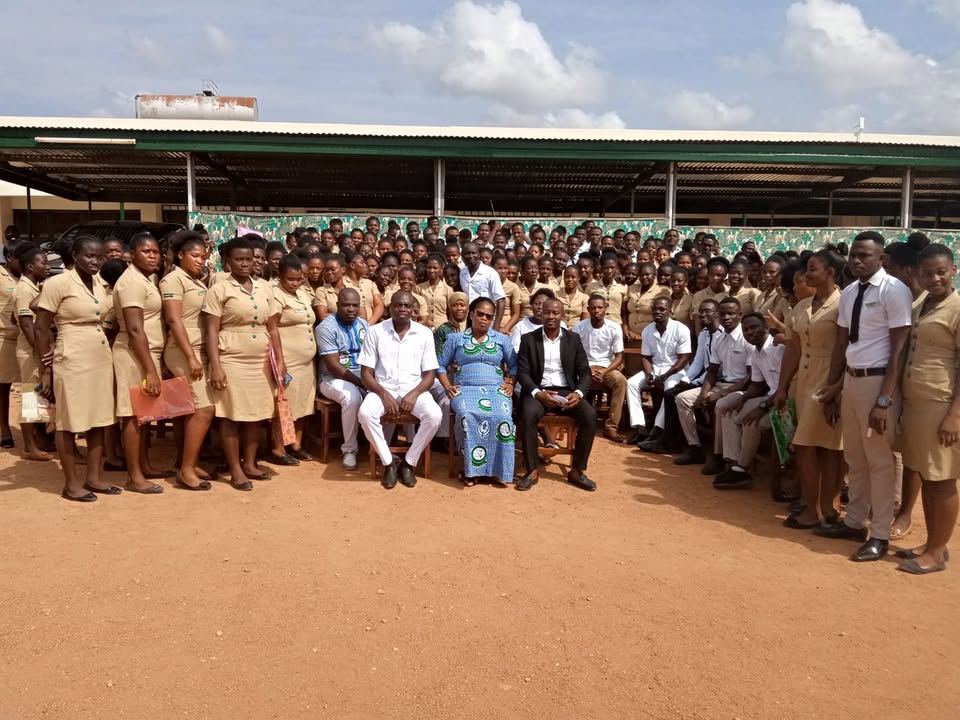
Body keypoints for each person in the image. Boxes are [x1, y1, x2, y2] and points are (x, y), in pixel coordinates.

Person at [816, 231, 913, 563]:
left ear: (881, 259)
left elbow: (899, 348)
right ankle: (855, 522)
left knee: (880, 462)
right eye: (854, 255)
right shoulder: (850, 292)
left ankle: (880, 534)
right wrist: (834, 387)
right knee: (855, 459)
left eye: (865, 256)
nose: (857, 260)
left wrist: (885, 400)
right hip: (852, 382)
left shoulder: (894, 291)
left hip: (878, 384)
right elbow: (843, 345)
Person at [34, 235, 118, 501]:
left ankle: (93, 478)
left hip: (99, 353)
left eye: (99, 256)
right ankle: (71, 484)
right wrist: (45, 366)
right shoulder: (58, 283)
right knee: (69, 422)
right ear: (75, 255)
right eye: (89, 256)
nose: (95, 261)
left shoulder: (101, 283)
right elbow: (40, 325)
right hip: (71, 354)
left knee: (98, 418)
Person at [892, 243, 960, 574]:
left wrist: (955, 415)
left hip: (941, 403)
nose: (934, 278)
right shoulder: (922, 303)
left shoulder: (957, 308)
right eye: (927, 273)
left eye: (941, 272)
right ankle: (934, 544)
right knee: (926, 474)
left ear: (953, 271)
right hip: (917, 404)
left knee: (942, 479)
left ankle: (935, 553)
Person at [202, 237, 286, 491]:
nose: (245, 264)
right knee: (231, 415)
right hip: (231, 358)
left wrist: (280, 361)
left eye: (249, 259)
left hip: (260, 359)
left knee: (255, 415)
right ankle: (236, 469)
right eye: (238, 259)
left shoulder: (265, 288)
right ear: (228, 262)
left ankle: (250, 463)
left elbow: (272, 327)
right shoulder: (218, 289)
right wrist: (215, 366)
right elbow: (211, 332)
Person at [773, 250, 845, 528]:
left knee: (819, 446)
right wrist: (782, 387)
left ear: (830, 272)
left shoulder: (843, 304)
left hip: (829, 379)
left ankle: (822, 506)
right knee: (812, 445)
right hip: (803, 381)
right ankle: (818, 505)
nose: (807, 274)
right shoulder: (802, 307)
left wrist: (836, 387)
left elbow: (845, 347)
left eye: (813, 269)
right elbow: (793, 348)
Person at [358, 290, 441, 489]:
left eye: (406, 306)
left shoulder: (424, 333)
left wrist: (414, 394)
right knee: (365, 414)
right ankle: (388, 463)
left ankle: (408, 463)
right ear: (390, 308)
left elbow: (430, 374)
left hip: (414, 390)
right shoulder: (375, 332)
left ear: (414, 309)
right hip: (382, 390)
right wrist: (383, 394)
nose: (402, 309)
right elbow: (366, 373)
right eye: (398, 305)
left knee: (435, 415)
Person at [515, 298, 597, 492]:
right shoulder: (529, 339)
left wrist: (578, 393)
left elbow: (584, 371)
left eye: (555, 313)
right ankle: (532, 470)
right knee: (527, 414)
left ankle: (577, 470)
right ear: (541, 313)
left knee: (590, 416)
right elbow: (522, 372)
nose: (551, 317)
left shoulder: (573, 339)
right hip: (539, 390)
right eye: (547, 313)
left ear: (562, 315)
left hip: (566, 391)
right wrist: (537, 392)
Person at [112, 232, 171, 494]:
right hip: (134, 357)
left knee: (145, 415)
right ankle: (134, 476)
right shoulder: (131, 283)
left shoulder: (146, 279)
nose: (152, 256)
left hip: (148, 355)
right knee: (133, 417)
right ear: (132, 254)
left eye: (155, 251)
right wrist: (149, 369)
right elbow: (135, 330)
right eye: (146, 251)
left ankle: (144, 465)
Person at [437, 297, 517, 486]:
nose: (484, 319)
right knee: (466, 414)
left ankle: (497, 470)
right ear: (471, 314)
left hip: (496, 389)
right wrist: (448, 386)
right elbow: (439, 365)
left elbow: (514, 366)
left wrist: (511, 383)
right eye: (480, 314)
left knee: (503, 415)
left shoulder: (502, 340)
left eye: (489, 317)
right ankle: (470, 470)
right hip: (465, 389)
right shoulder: (455, 339)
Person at [159, 230, 215, 490]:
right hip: (183, 350)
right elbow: (174, 320)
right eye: (195, 255)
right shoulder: (173, 281)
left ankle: (187, 463)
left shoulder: (196, 280)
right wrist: (191, 357)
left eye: (203, 256)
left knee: (188, 411)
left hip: (197, 347)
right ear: (181, 255)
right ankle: (186, 470)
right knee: (204, 409)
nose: (200, 260)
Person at [674, 297, 751, 474]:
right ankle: (695, 447)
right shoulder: (720, 339)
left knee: (720, 406)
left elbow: (751, 375)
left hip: (741, 388)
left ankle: (721, 456)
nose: (727, 318)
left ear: (740, 315)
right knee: (682, 399)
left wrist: (722, 394)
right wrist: (703, 394)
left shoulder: (746, 337)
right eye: (723, 314)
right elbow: (712, 371)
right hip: (720, 384)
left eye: (731, 313)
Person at [713, 312, 785, 488]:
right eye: (745, 330)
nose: (749, 332)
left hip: (785, 400)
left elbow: (787, 387)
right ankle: (734, 463)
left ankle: (741, 469)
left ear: (766, 328)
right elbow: (756, 386)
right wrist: (743, 398)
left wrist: (762, 406)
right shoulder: (757, 354)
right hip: (769, 398)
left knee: (751, 421)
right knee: (729, 410)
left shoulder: (779, 349)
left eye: (754, 327)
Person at [268, 255, 318, 465]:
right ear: (280, 276)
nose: (296, 283)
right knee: (285, 405)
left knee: (304, 404)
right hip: (288, 360)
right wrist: (280, 359)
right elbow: (271, 328)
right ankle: (278, 448)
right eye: (291, 279)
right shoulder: (275, 294)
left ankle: (295, 444)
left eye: (299, 279)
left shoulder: (303, 294)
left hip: (307, 363)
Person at [627, 295, 692, 447]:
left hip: (676, 371)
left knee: (670, 389)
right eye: (655, 309)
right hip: (656, 369)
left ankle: (657, 429)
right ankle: (640, 427)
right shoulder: (648, 330)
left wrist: (664, 377)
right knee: (631, 383)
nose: (658, 312)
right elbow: (646, 356)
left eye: (662, 309)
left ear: (670, 311)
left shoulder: (681, 329)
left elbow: (683, 358)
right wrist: (650, 374)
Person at [317, 288, 369, 471]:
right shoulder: (326, 327)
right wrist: (364, 383)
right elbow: (334, 367)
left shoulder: (364, 325)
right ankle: (349, 450)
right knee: (351, 397)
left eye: (355, 305)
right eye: (346, 305)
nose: (351, 309)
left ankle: (380, 447)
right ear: (338, 306)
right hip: (332, 379)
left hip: (363, 376)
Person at [12, 244, 51, 460]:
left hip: (36, 349)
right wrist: (42, 354)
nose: (46, 267)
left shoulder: (33, 287)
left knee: (37, 396)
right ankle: (29, 447)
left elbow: (12, 318)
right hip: (31, 351)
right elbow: (27, 326)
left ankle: (39, 438)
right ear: (29, 266)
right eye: (43, 263)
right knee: (30, 396)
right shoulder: (24, 290)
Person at [573, 296, 628, 443]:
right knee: (570, 379)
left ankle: (611, 427)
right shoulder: (579, 327)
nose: (596, 310)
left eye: (600, 307)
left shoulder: (614, 327)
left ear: (605, 308)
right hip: (585, 368)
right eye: (593, 307)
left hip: (606, 368)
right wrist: (587, 370)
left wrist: (604, 372)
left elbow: (619, 357)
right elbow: (574, 354)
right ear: (588, 309)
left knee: (621, 381)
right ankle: (577, 421)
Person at [0, 245, 20, 449]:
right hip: (3, 337)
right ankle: (4, 429)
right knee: (3, 386)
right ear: (9, 257)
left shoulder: (28, 276)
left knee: (32, 388)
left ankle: (36, 432)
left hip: (25, 338)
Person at [459, 242, 505, 326]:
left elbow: (501, 300)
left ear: (479, 254)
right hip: (468, 320)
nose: (471, 256)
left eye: (473, 253)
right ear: (462, 256)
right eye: (467, 253)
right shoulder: (462, 273)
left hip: (486, 319)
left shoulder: (490, 273)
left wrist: (496, 327)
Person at [623, 262, 669, 343]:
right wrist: (625, 328)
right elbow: (624, 311)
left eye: (648, 275)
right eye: (641, 275)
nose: (644, 277)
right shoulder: (631, 288)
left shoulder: (662, 291)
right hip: (630, 336)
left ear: (655, 275)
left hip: (652, 335)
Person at [344, 249, 384, 324]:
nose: (366, 266)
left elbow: (379, 304)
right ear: (352, 265)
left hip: (371, 326)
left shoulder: (369, 283)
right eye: (362, 263)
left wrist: (369, 324)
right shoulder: (343, 283)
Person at [416, 255, 453, 329]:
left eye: (435, 268)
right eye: (429, 268)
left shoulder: (448, 289)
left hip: (442, 328)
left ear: (441, 270)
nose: (431, 270)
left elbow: (450, 312)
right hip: (424, 328)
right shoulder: (418, 288)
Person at [314, 254, 348, 322]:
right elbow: (323, 316)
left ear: (343, 269)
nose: (329, 273)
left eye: (333, 269)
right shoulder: (322, 291)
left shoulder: (352, 289)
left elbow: (362, 315)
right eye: (326, 270)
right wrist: (349, 316)